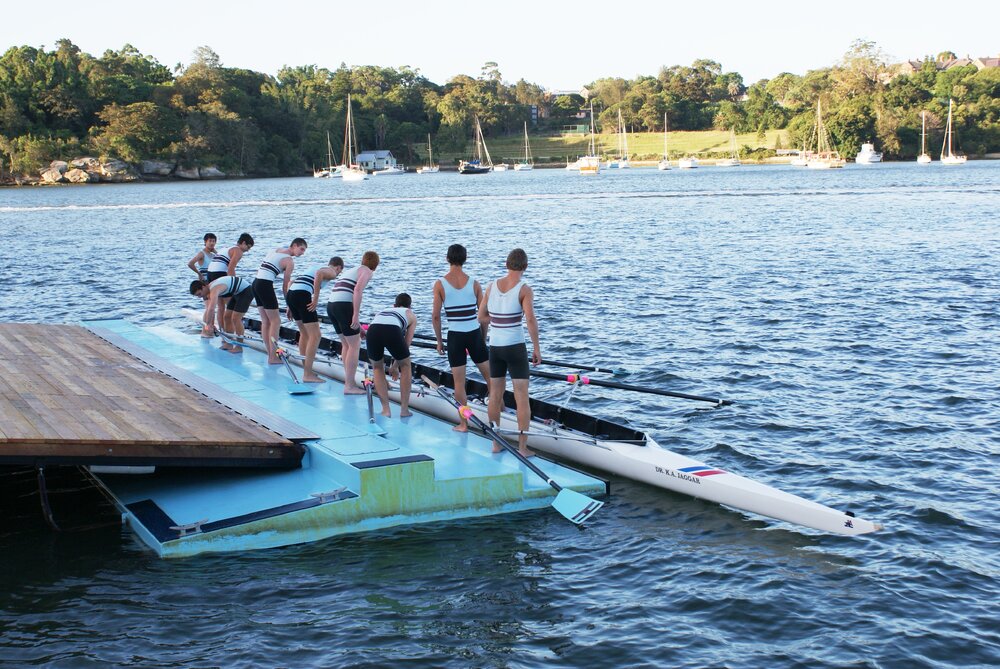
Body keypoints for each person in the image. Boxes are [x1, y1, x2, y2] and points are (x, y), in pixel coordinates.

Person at [479, 248, 540, 457]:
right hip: (515, 346)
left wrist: (497, 321)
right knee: (521, 397)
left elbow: (481, 316)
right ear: (525, 267)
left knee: (495, 394)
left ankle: (496, 443)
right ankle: (522, 448)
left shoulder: (491, 286)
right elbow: (530, 320)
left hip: (495, 346)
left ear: (507, 264)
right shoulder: (524, 289)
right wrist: (537, 348)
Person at [432, 243, 491, 431]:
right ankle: (502, 411)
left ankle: (463, 424)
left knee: (459, 383)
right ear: (465, 259)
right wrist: (482, 338)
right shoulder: (474, 283)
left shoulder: (440, 284)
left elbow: (435, 316)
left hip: (455, 336)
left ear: (447, 258)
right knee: (491, 378)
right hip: (474, 334)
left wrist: (439, 341)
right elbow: (484, 317)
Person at [326, 250, 379, 394]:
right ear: (375, 264)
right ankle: (349, 386)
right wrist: (355, 315)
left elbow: (347, 291)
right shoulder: (367, 271)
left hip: (331, 305)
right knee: (354, 345)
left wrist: (359, 327)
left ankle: (348, 381)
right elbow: (357, 291)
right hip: (343, 305)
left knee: (346, 344)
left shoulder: (353, 270)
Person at [286, 256, 344, 382]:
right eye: (339, 272)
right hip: (302, 295)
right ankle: (307, 375)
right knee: (316, 335)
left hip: (292, 294)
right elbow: (319, 274)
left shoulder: (315, 267)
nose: (337, 274)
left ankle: (306, 370)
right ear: (338, 267)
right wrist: (316, 299)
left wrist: (289, 305)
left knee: (304, 334)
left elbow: (291, 282)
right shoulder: (331, 271)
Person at [253, 238, 307, 364]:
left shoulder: (276, 250)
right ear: (294, 246)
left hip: (255, 283)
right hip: (264, 284)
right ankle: (273, 357)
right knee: (275, 321)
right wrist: (290, 305)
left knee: (266, 321)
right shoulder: (289, 261)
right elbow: (285, 285)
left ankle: (270, 354)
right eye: (302, 249)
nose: (303, 253)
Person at [365, 293, 416, 418]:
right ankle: (404, 410)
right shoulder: (410, 314)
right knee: (406, 366)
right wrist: (394, 367)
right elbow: (406, 343)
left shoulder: (383, 311)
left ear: (394, 305)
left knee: (377, 368)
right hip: (392, 330)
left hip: (373, 330)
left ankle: (385, 410)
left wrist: (393, 366)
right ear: (409, 306)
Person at [189, 276, 254, 352]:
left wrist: (209, 325)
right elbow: (210, 310)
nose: (200, 297)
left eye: (199, 294)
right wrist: (209, 324)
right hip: (237, 293)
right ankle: (229, 344)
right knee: (227, 317)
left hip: (246, 291)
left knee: (236, 318)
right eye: (197, 296)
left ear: (203, 287)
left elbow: (211, 309)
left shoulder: (214, 289)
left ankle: (239, 347)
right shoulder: (209, 289)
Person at [205, 233, 254, 332]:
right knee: (230, 306)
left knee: (220, 307)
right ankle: (233, 329)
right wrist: (236, 287)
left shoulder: (227, 248)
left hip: (210, 274)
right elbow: (231, 269)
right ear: (243, 243)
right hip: (219, 274)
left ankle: (223, 330)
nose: (247, 250)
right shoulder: (238, 251)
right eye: (248, 247)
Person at [189, 233, 218, 337]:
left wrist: (215, 251)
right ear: (205, 242)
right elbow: (190, 263)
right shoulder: (202, 254)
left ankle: (208, 329)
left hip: (212, 284)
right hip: (204, 285)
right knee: (209, 307)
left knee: (211, 307)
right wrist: (199, 273)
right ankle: (205, 330)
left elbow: (223, 261)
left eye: (214, 241)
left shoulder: (213, 255)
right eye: (210, 241)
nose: (212, 243)